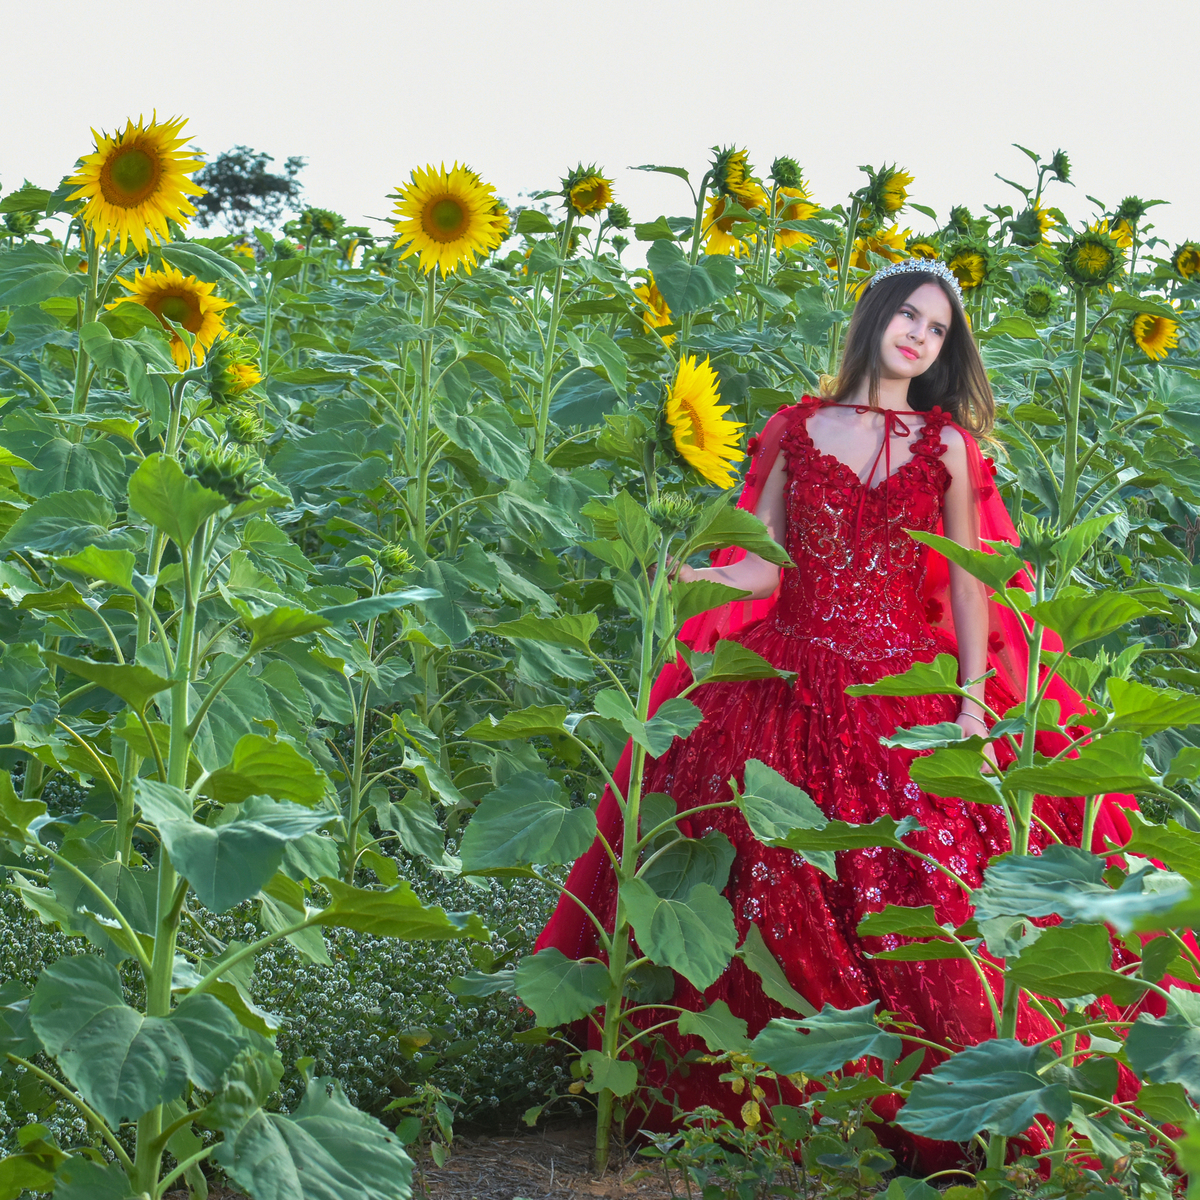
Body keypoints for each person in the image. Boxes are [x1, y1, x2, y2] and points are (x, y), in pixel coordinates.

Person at [535, 261, 1139, 1169]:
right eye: (909, 315)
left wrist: (974, 703)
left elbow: (973, 593)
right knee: (760, 865)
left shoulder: (948, 447)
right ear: (872, 318)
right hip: (783, 675)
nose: (921, 338)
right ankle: (769, 1101)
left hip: (900, 688)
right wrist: (688, 571)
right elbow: (765, 567)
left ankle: (946, 1096)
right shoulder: (796, 427)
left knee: (918, 873)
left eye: (938, 330)